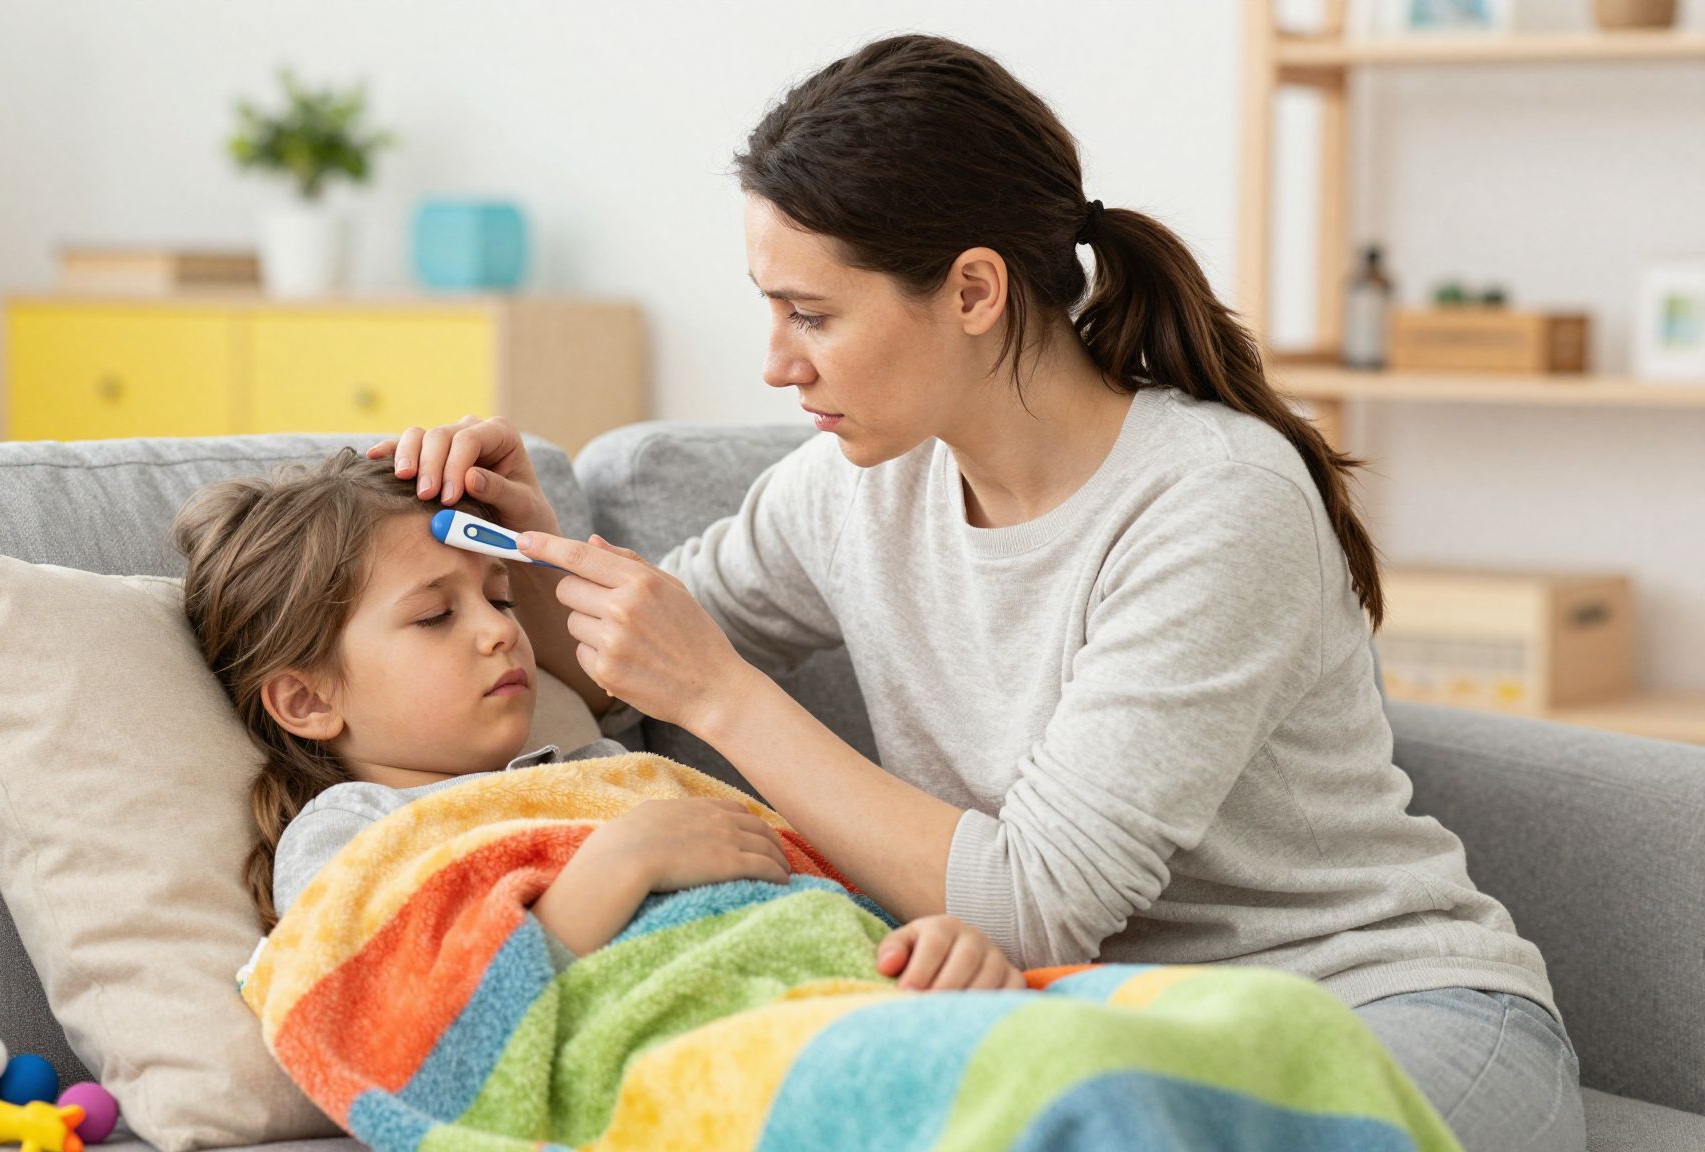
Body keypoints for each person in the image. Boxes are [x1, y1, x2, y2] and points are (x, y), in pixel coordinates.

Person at [370, 33, 1585, 1152]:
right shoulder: (855, 490)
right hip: (1099, 1023)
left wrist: (724, 695)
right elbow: (608, 671)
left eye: (812, 315)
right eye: (771, 311)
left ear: (970, 292)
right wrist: (528, 549)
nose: (776, 362)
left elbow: (1037, 904)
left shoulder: (1213, 502)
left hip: (1375, 1015)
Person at [172, 446, 1023, 991]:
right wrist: (623, 860)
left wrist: (925, 955)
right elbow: (397, 1010)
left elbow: (793, 903)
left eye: (499, 598)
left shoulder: (590, 770)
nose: (499, 629)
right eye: (436, 616)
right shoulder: (352, 831)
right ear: (309, 700)